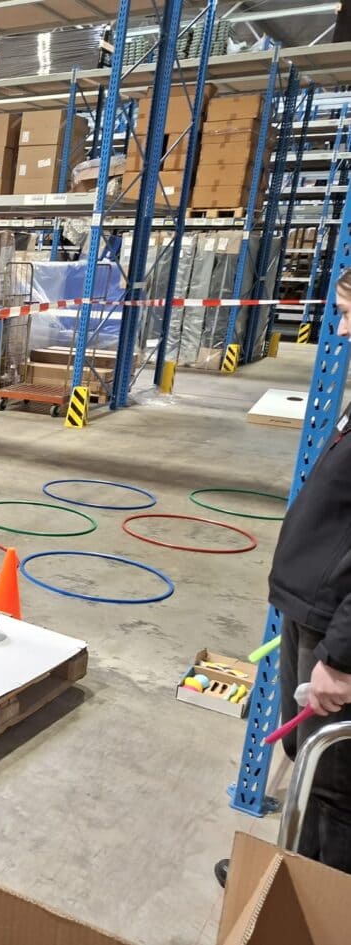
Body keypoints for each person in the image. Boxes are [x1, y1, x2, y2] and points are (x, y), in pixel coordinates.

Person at [217, 269, 351, 886]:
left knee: (335, 784)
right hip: (313, 608)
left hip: (334, 632)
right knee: (309, 763)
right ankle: (291, 880)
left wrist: (343, 659)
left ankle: (315, 905)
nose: (342, 329)